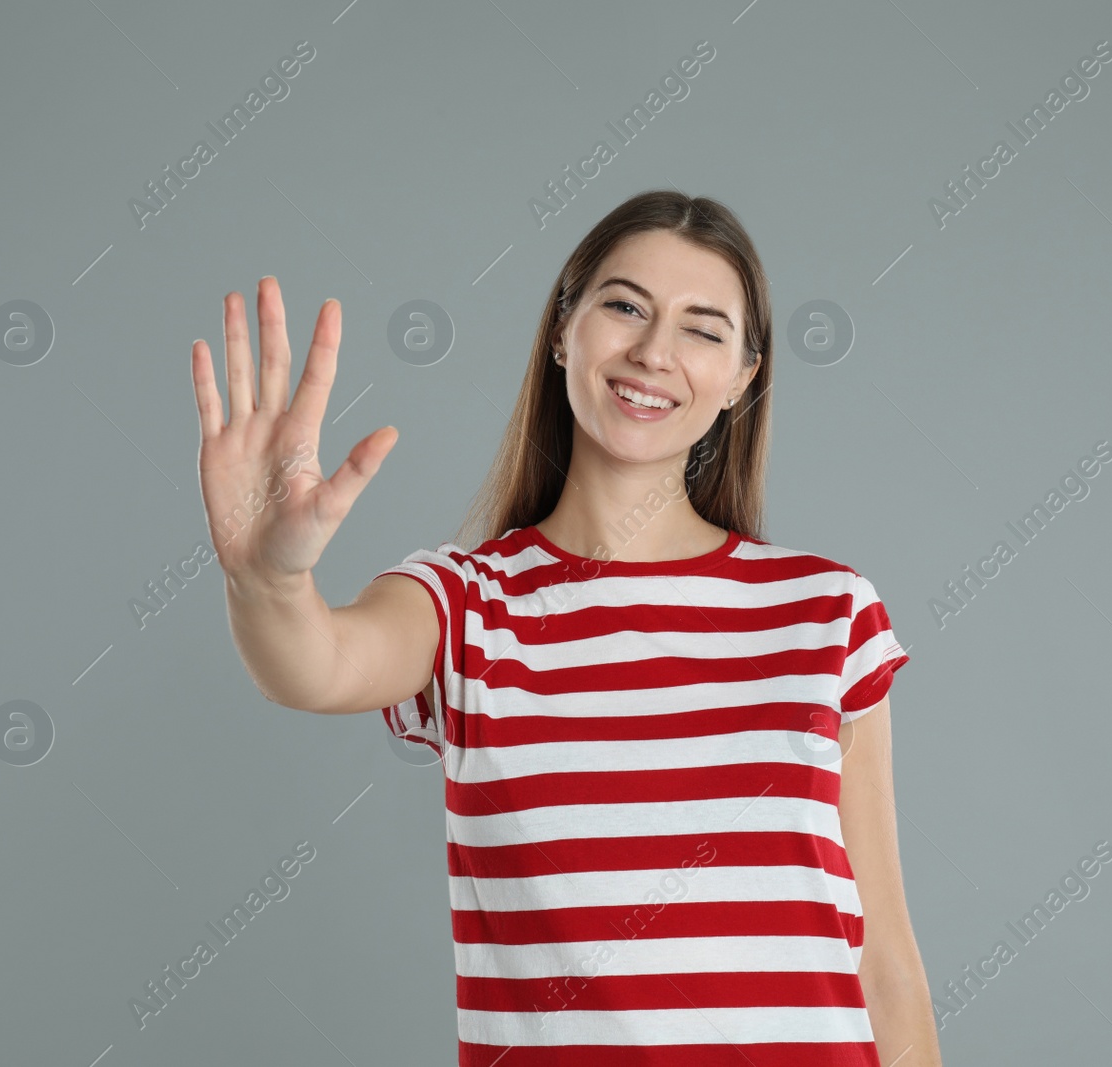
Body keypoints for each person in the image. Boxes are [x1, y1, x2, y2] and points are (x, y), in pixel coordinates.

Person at [191, 190, 942, 1066]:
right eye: (624, 306)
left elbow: (885, 962)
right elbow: (314, 665)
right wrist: (267, 580)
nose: (654, 352)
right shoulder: (468, 605)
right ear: (562, 330)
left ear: (742, 377)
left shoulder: (826, 613)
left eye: (703, 329)